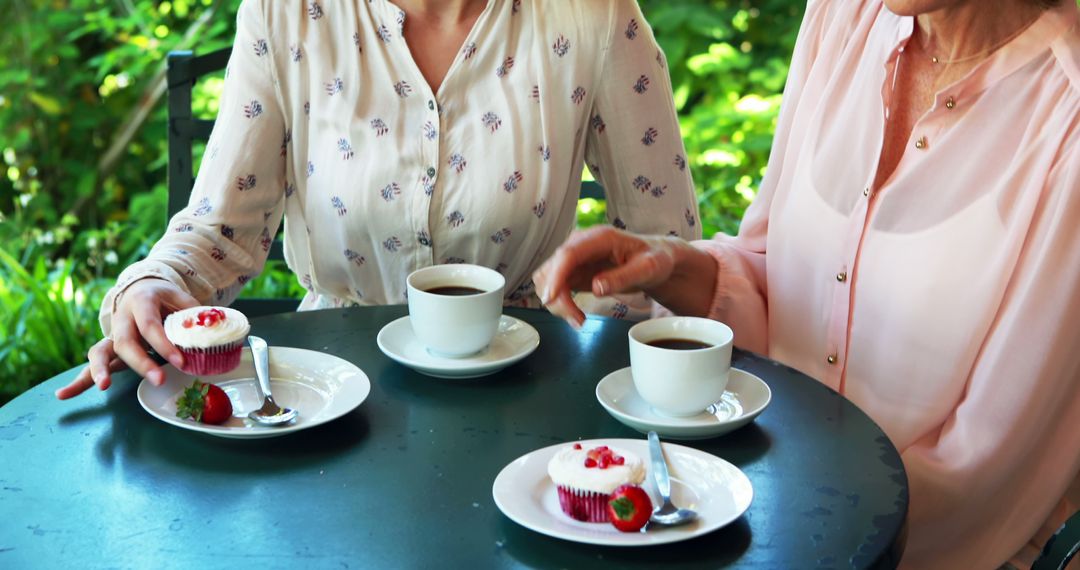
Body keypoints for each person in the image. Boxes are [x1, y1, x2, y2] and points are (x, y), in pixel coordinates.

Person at [533, 0, 1080, 568]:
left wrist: (763, 513)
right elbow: (777, 280)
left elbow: (988, 469)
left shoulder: (1067, 111)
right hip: (766, 512)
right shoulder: (840, 18)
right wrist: (669, 266)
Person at [56, 0, 701, 399]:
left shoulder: (595, 14)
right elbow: (220, 231)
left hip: (524, 393)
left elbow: (669, 247)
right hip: (324, 393)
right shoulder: (286, 11)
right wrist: (154, 286)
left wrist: (591, 358)